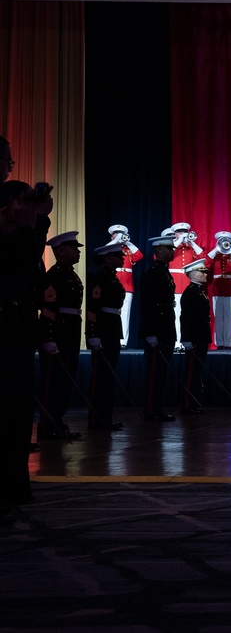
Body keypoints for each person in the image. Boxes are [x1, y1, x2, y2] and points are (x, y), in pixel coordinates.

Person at [0, 172, 51, 520]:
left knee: (18, 411)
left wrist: (37, 222)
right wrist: (35, 224)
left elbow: (33, 271)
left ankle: (15, 486)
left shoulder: (25, 234)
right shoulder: (12, 237)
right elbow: (20, 258)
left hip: (19, 326)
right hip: (5, 323)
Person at [36, 231, 85, 441]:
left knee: (65, 383)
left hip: (70, 333)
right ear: (61, 251)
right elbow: (48, 309)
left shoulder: (70, 274)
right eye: (74, 248)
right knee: (52, 384)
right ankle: (47, 426)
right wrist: (48, 338)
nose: (78, 252)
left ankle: (57, 422)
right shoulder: (54, 275)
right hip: (58, 334)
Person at [85, 241, 127, 431]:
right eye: (118, 256)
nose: (122, 258)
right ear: (108, 258)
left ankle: (105, 417)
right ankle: (96, 419)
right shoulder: (100, 277)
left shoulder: (111, 277)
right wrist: (92, 334)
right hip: (102, 330)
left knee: (108, 376)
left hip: (111, 328)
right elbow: (93, 308)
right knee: (100, 378)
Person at [139, 232, 179, 422]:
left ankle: (157, 408)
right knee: (154, 373)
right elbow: (147, 305)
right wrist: (150, 333)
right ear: (159, 250)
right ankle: (150, 410)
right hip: (157, 328)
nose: (173, 251)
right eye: (169, 248)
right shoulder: (153, 274)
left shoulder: (164, 272)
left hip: (165, 328)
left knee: (161, 373)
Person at [180, 258, 212, 414]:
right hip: (193, 338)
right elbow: (185, 317)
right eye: (202, 272)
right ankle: (188, 404)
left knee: (197, 372)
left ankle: (195, 402)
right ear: (193, 274)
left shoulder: (199, 291)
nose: (205, 274)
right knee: (191, 373)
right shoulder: (190, 293)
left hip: (200, 336)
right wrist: (186, 338)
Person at [108, 224, 142, 346]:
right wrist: (117, 241)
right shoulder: (111, 249)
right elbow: (102, 252)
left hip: (127, 285)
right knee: (110, 312)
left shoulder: (128, 250)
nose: (119, 236)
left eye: (120, 234)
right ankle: (111, 339)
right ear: (112, 237)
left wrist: (128, 243)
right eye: (116, 234)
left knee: (125, 314)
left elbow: (139, 255)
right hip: (112, 284)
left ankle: (123, 341)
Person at [207, 230, 231, 349]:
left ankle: (227, 342)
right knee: (218, 317)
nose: (224, 243)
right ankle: (219, 342)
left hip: (230, 289)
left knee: (229, 317)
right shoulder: (215, 256)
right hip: (217, 289)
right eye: (222, 241)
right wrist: (216, 250)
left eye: (227, 241)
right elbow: (205, 263)